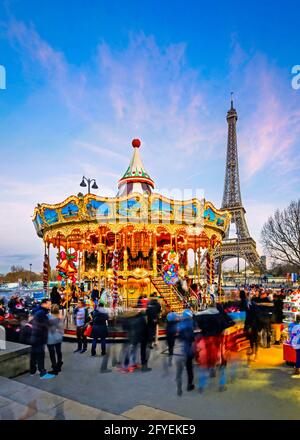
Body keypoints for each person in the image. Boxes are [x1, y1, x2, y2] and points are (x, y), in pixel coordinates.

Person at [29, 299, 55, 379]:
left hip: (34, 335)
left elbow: (31, 321)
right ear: (44, 304)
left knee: (33, 354)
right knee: (40, 354)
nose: (50, 306)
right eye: (49, 304)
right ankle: (42, 373)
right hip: (39, 336)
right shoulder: (42, 313)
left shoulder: (36, 311)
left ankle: (32, 371)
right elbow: (47, 325)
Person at [174, 309, 195, 395]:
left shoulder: (180, 324)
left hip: (180, 350)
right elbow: (192, 336)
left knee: (179, 370)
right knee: (189, 368)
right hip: (188, 349)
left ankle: (179, 385)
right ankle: (189, 384)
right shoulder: (191, 323)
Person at [47, 304, 64, 375]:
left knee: (52, 353)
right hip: (59, 336)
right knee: (58, 351)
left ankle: (55, 368)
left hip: (51, 337)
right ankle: (59, 363)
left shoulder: (48, 317)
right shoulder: (60, 317)